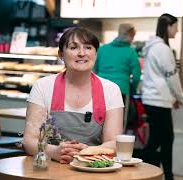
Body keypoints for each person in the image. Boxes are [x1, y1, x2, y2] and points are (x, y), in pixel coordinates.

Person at [23, 27, 124, 164]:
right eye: (73, 47)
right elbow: (30, 141)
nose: (82, 53)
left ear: (96, 53)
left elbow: (114, 143)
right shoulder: (43, 86)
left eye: (88, 47)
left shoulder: (111, 90)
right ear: (61, 54)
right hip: (49, 166)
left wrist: (87, 153)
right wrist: (54, 151)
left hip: (93, 168)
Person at [141, 13, 183, 180]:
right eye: (176, 26)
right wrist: (179, 96)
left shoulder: (152, 47)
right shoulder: (163, 49)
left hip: (152, 99)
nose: (177, 30)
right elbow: (172, 77)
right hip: (159, 101)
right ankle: (166, 176)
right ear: (168, 26)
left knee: (157, 140)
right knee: (165, 142)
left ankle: (154, 173)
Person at [94, 23, 141, 102]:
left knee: (100, 114)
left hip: (101, 88)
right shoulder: (130, 52)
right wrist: (132, 88)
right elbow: (136, 75)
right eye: (133, 37)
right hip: (121, 89)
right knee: (119, 114)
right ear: (130, 35)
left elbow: (94, 69)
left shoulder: (102, 49)